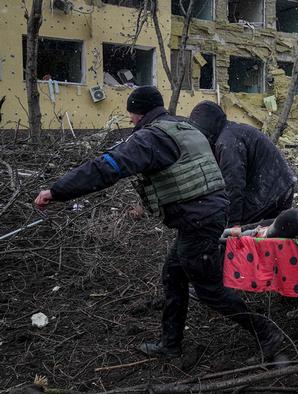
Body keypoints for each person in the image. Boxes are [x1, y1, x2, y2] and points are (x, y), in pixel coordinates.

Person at [34, 86, 284, 361]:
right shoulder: (181, 126)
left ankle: (267, 333)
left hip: (198, 219)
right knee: (173, 274)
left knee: (210, 290)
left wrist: (57, 191)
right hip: (205, 215)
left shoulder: (151, 138)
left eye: (131, 115)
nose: (130, 121)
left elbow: (107, 167)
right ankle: (170, 344)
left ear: (138, 114)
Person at [189, 101, 296, 232]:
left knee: (242, 232)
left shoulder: (227, 142)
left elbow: (234, 184)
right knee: (269, 235)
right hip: (280, 185)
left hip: (271, 190)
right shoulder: (230, 132)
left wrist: (233, 224)